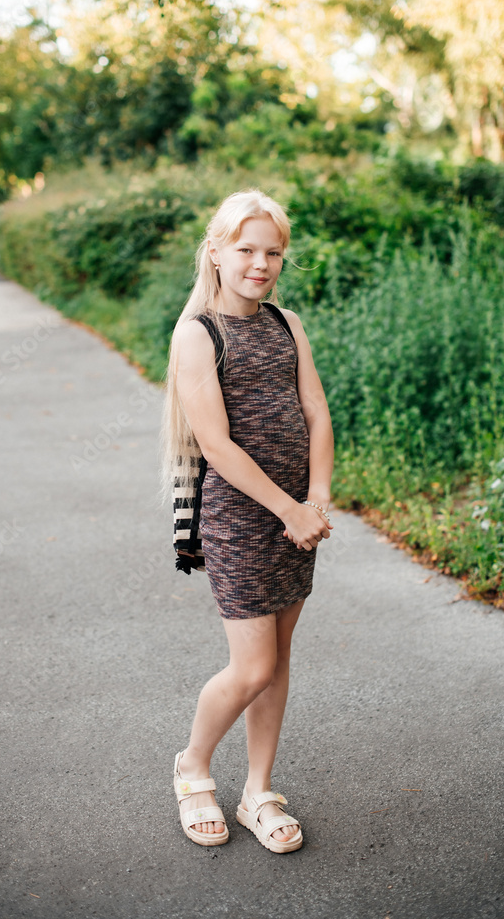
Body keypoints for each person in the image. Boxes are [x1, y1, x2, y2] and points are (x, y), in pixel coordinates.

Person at [160, 189, 334, 854]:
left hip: (298, 521)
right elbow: (216, 444)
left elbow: (315, 411)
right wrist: (288, 507)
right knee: (252, 665)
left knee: (277, 660)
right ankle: (192, 766)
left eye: (273, 253)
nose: (260, 264)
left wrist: (316, 499)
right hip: (240, 519)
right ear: (215, 252)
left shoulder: (286, 324)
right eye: (246, 249)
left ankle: (258, 790)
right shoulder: (197, 334)